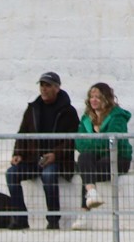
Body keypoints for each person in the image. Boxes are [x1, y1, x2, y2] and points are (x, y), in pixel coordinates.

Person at [6, 71, 79, 230]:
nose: (44, 89)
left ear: (57, 88)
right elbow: (22, 133)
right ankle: (20, 219)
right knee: (11, 173)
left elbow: (73, 140)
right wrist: (17, 154)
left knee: (48, 174)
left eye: (48, 85)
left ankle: (53, 220)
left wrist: (55, 155)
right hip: (32, 160)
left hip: (58, 161)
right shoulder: (33, 109)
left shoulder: (68, 111)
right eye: (42, 85)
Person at [73, 82, 133, 230]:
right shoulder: (86, 118)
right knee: (84, 159)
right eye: (91, 97)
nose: (94, 100)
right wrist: (97, 143)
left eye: (98, 97)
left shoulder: (117, 117)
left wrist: (92, 143)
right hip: (97, 159)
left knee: (87, 169)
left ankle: (83, 214)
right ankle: (92, 193)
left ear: (106, 99)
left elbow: (111, 144)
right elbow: (79, 143)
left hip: (119, 159)